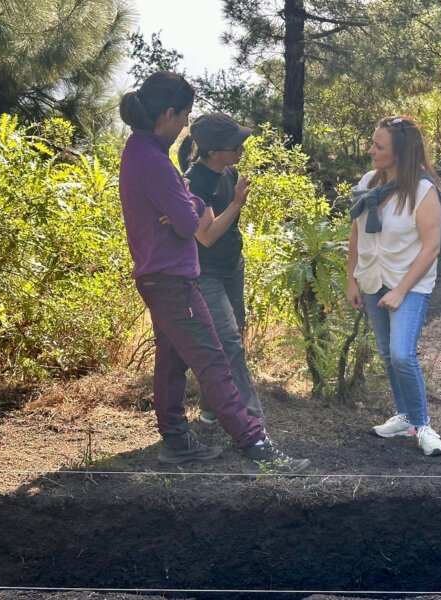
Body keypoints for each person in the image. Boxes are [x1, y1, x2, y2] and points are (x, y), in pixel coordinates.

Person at [118, 71, 310, 474]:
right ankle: (255, 443)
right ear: (168, 113)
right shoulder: (152, 160)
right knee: (214, 359)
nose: (185, 124)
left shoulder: (144, 151)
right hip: (173, 277)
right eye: (184, 115)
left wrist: (182, 205)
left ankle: (175, 441)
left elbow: (184, 210)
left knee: (171, 361)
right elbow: (191, 223)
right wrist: (184, 205)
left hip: (159, 274)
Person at [347, 115, 441, 457]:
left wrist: (402, 289)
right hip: (373, 279)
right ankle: (405, 417)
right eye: (373, 143)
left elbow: (431, 247)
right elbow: (357, 233)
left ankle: (422, 425)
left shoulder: (421, 191)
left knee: (403, 355)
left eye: (379, 146)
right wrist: (352, 279)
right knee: (387, 354)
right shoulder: (367, 183)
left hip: (409, 283)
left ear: (401, 152)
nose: (371, 150)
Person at [177, 113, 265, 429]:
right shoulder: (196, 180)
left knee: (230, 336)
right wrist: (238, 203)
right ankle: (252, 420)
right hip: (206, 273)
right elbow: (207, 236)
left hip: (232, 266)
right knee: (228, 341)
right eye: (235, 145)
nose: (241, 149)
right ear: (214, 151)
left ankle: (212, 408)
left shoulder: (230, 172)